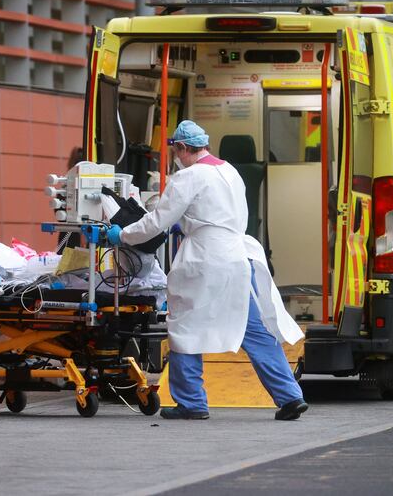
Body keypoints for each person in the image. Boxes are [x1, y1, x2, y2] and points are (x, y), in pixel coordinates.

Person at [107, 120, 308, 421]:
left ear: (184, 148)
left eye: (176, 151)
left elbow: (156, 222)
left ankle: (191, 403)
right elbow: (212, 213)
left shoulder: (187, 177)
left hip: (206, 261)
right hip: (239, 259)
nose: (176, 157)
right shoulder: (230, 171)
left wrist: (121, 236)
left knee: (185, 329)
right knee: (252, 330)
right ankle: (290, 397)